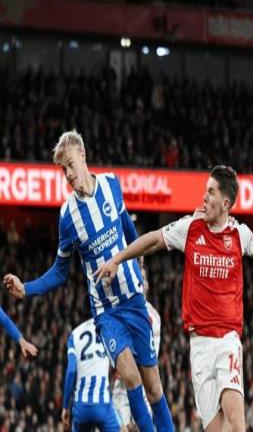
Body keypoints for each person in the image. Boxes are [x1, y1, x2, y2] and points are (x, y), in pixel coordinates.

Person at [95, 165, 253, 432]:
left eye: (210, 192)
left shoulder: (239, 234)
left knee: (236, 422)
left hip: (227, 340)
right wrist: (118, 259)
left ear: (225, 203)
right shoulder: (190, 227)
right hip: (199, 347)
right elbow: (153, 241)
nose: (204, 197)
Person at [3, 131, 173, 432]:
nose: (68, 174)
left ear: (82, 155)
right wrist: (26, 289)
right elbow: (60, 271)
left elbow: (127, 228)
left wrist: (140, 262)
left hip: (134, 299)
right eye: (63, 170)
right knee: (130, 377)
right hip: (107, 311)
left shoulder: (111, 184)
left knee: (154, 388)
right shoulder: (68, 216)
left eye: (70, 165)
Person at [113, 264, 161, 431]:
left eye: (144, 278)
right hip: (121, 387)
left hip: (142, 387)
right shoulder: (120, 311)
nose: (141, 281)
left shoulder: (154, 317)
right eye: (138, 277)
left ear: (147, 285)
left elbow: (151, 357)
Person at [61, 299, 121, 432]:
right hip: (103, 405)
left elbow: (71, 371)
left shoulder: (74, 335)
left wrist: (65, 407)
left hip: (81, 407)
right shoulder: (106, 329)